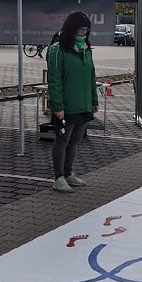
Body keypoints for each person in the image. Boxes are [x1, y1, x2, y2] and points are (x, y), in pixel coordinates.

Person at [46, 11, 98, 193]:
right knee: (62, 140)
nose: (83, 32)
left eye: (86, 29)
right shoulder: (57, 49)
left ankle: (68, 173)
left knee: (75, 140)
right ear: (72, 28)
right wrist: (57, 106)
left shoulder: (86, 49)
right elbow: (54, 80)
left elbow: (91, 75)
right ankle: (58, 177)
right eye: (81, 29)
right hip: (66, 106)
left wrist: (93, 99)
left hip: (83, 104)